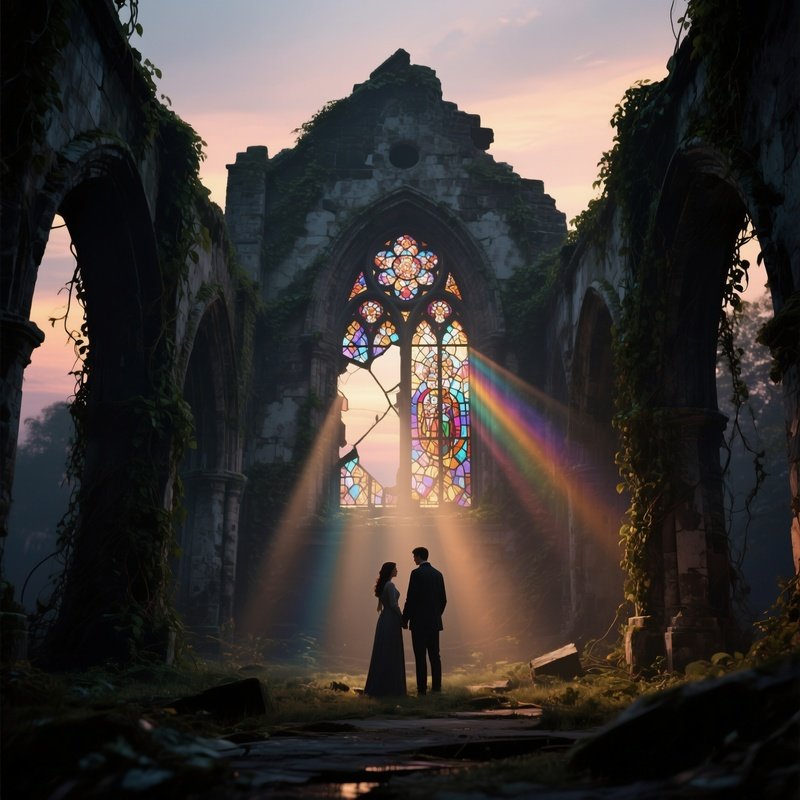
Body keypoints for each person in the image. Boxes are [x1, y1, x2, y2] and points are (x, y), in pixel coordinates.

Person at [402, 546, 447, 695]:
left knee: (420, 657)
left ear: (419, 556)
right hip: (434, 622)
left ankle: (422, 689)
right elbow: (443, 600)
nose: (413, 559)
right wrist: (436, 615)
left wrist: (405, 618)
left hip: (419, 623)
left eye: (414, 556)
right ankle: (436, 688)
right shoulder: (438, 574)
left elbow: (411, 598)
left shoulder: (416, 573)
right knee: (435, 656)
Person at [363, 561, 407, 697]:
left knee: (382, 652)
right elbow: (394, 604)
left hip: (383, 620)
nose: (397, 571)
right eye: (395, 569)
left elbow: (381, 606)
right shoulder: (390, 585)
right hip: (391, 620)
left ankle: (381, 686)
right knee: (391, 651)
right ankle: (391, 688)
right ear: (390, 571)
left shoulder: (383, 585)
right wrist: (402, 618)